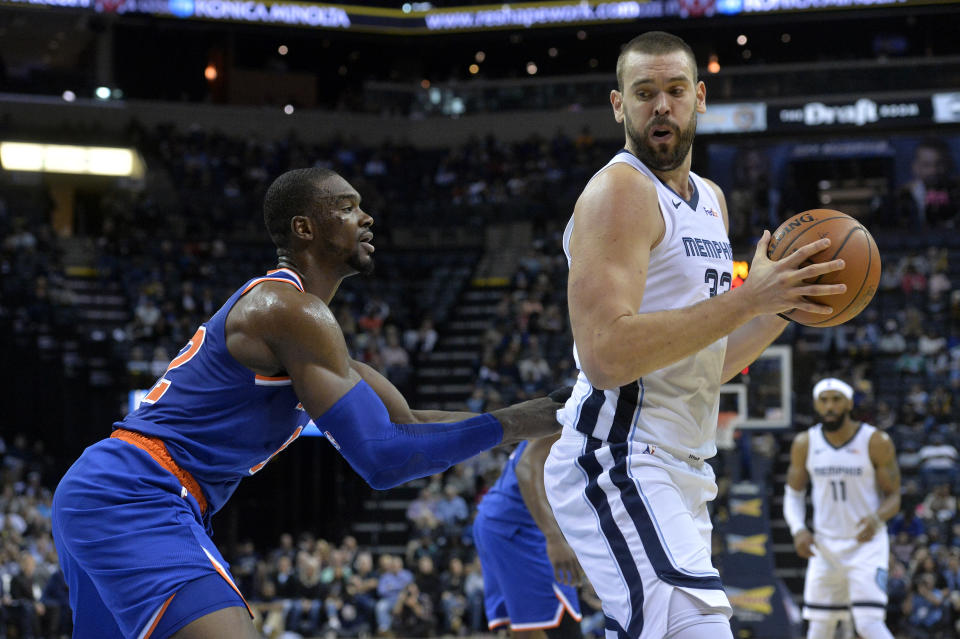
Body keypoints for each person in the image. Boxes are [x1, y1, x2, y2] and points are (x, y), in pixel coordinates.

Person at [50, 167, 566, 639]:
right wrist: (532, 417)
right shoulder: (288, 309)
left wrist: (551, 414)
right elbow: (385, 458)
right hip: (137, 493)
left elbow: (409, 423)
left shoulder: (314, 339)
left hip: (122, 492)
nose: (366, 217)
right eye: (346, 206)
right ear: (304, 228)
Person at [542, 31, 847, 639]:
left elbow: (708, 359)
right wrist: (749, 298)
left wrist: (780, 307)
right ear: (618, 105)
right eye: (644, 92)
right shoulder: (618, 192)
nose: (662, 105)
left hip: (681, 464)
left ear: (699, 97)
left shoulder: (710, 199)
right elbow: (604, 356)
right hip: (621, 456)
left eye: (675, 91)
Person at [783, 378, 902, 639]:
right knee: (818, 628)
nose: (830, 406)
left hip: (866, 545)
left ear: (849, 403)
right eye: (824, 401)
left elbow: (894, 497)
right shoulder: (805, 443)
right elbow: (793, 494)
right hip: (824, 547)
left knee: (868, 624)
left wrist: (876, 518)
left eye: (836, 399)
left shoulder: (875, 441)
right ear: (816, 405)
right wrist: (798, 529)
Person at [474, 434, 584, 638]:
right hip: (514, 528)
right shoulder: (573, 414)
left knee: (527, 625)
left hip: (501, 522)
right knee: (559, 617)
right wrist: (554, 539)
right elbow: (525, 470)